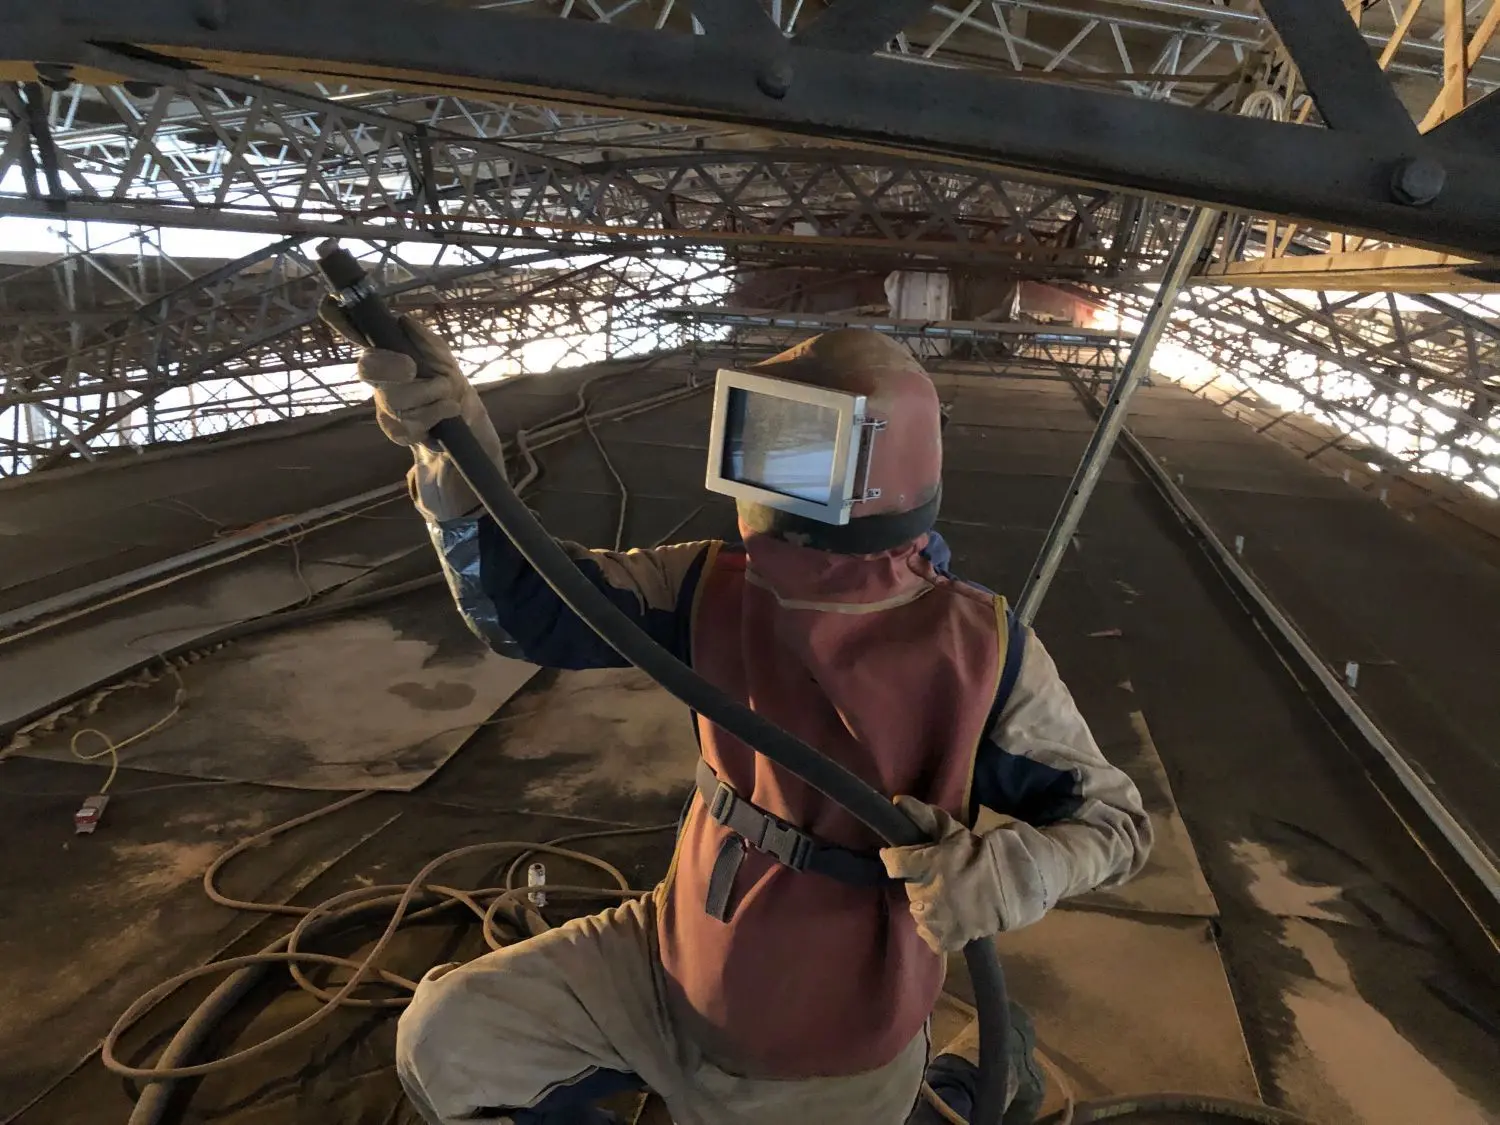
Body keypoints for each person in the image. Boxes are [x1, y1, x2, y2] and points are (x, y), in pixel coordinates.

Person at [326, 309, 1152, 1125]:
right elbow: (528, 609)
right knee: (450, 1040)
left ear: (878, 466)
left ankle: (969, 1084)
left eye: (799, 447)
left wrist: (1022, 872)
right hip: (669, 955)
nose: (766, 476)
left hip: (826, 1035)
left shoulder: (983, 650)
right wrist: (456, 456)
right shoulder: (712, 584)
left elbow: (1115, 823)